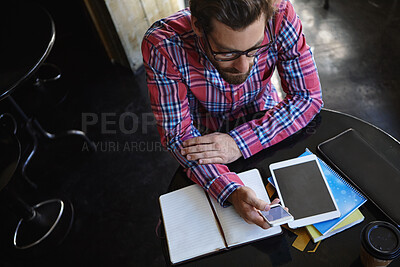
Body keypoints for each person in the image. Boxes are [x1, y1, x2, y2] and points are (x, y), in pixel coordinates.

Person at [142, 0, 322, 229]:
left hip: (266, 119)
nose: (244, 67)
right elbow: (178, 135)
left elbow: (307, 97)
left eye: (255, 48)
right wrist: (232, 191)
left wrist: (239, 143)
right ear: (198, 26)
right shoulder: (163, 45)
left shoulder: (279, 13)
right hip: (204, 135)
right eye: (227, 53)